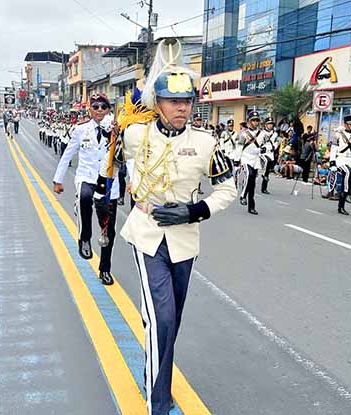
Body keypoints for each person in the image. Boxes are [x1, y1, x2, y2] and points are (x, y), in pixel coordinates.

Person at [93, 39, 237, 414]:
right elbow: (109, 137)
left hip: (185, 237)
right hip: (146, 231)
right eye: (173, 101)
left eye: (187, 101)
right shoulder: (135, 133)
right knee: (163, 317)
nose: (181, 108)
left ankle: (153, 365)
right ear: (158, 104)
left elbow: (228, 188)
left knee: (168, 322)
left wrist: (196, 211)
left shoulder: (205, 143)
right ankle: (158, 400)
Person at [53, 94, 118, 286]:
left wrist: (134, 182)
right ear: (90, 109)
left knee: (108, 231)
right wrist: (58, 180)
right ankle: (84, 238)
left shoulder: (117, 129)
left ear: (108, 110)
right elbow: (67, 155)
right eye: (95, 107)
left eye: (103, 107)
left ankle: (105, 269)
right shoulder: (80, 130)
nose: (99, 110)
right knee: (84, 196)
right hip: (87, 177)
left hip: (108, 182)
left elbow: (127, 156)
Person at [330, 114, 351, 215]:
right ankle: (347, 193)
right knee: (348, 172)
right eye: (350, 124)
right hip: (340, 159)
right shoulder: (338, 134)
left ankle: (342, 204)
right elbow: (334, 149)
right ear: (345, 124)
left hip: (350, 160)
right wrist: (332, 162)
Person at [238, 111, 267, 214]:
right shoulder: (244, 134)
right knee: (249, 175)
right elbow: (239, 147)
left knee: (252, 183)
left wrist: (264, 149)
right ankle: (242, 195)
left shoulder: (262, 133)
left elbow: (266, 145)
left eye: (257, 120)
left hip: (255, 159)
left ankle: (251, 207)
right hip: (246, 158)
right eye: (253, 120)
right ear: (249, 121)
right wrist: (238, 160)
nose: (255, 122)